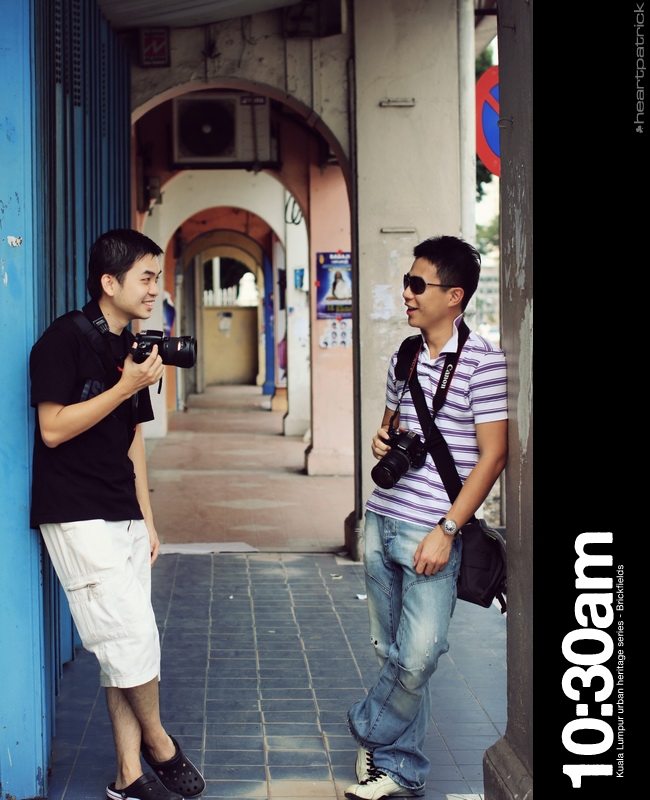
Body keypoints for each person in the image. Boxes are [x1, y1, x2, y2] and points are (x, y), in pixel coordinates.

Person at [29, 229, 206, 800]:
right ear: (110, 283)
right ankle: (160, 743)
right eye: (146, 277)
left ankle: (129, 778)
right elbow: (53, 429)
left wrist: (148, 518)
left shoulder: (131, 347)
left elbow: (132, 440)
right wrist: (125, 384)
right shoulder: (61, 341)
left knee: (120, 646)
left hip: (122, 511)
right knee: (130, 638)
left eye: (158, 276)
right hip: (76, 512)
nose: (156, 288)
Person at [345, 235, 508, 799]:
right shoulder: (406, 353)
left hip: (432, 530)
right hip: (381, 518)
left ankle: (368, 728)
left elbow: (495, 455)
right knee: (390, 651)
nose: (407, 293)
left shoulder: (484, 363)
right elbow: (389, 423)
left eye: (418, 284)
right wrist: (382, 437)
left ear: (454, 296)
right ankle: (398, 769)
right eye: (407, 282)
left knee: (419, 654)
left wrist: (448, 529)